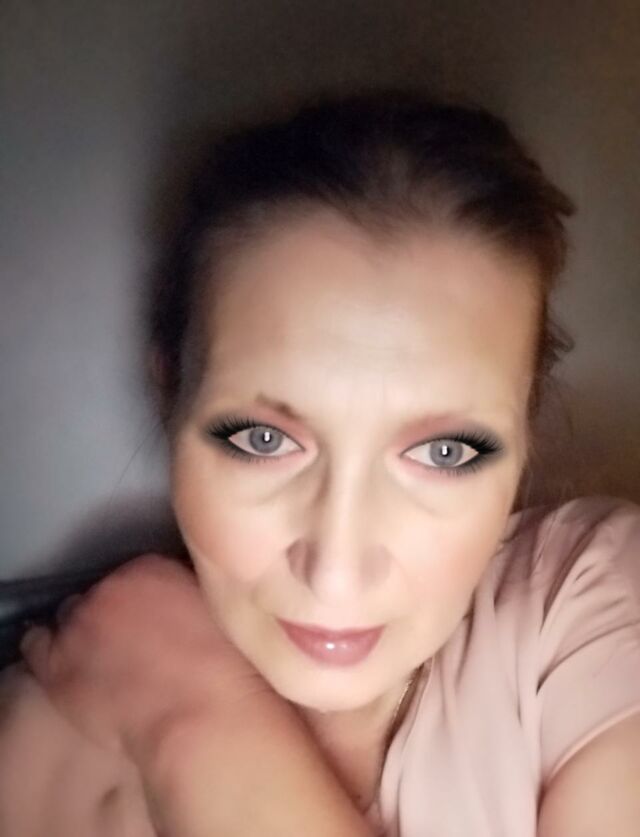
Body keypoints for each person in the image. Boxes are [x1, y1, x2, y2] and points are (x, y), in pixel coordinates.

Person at [1, 90, 640, 837]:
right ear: (170, 399)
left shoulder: (588, 608)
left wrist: (197, 718)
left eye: (443, 453)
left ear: (526, 434)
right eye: (262, 441)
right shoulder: (48, 735)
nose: (336, 572)